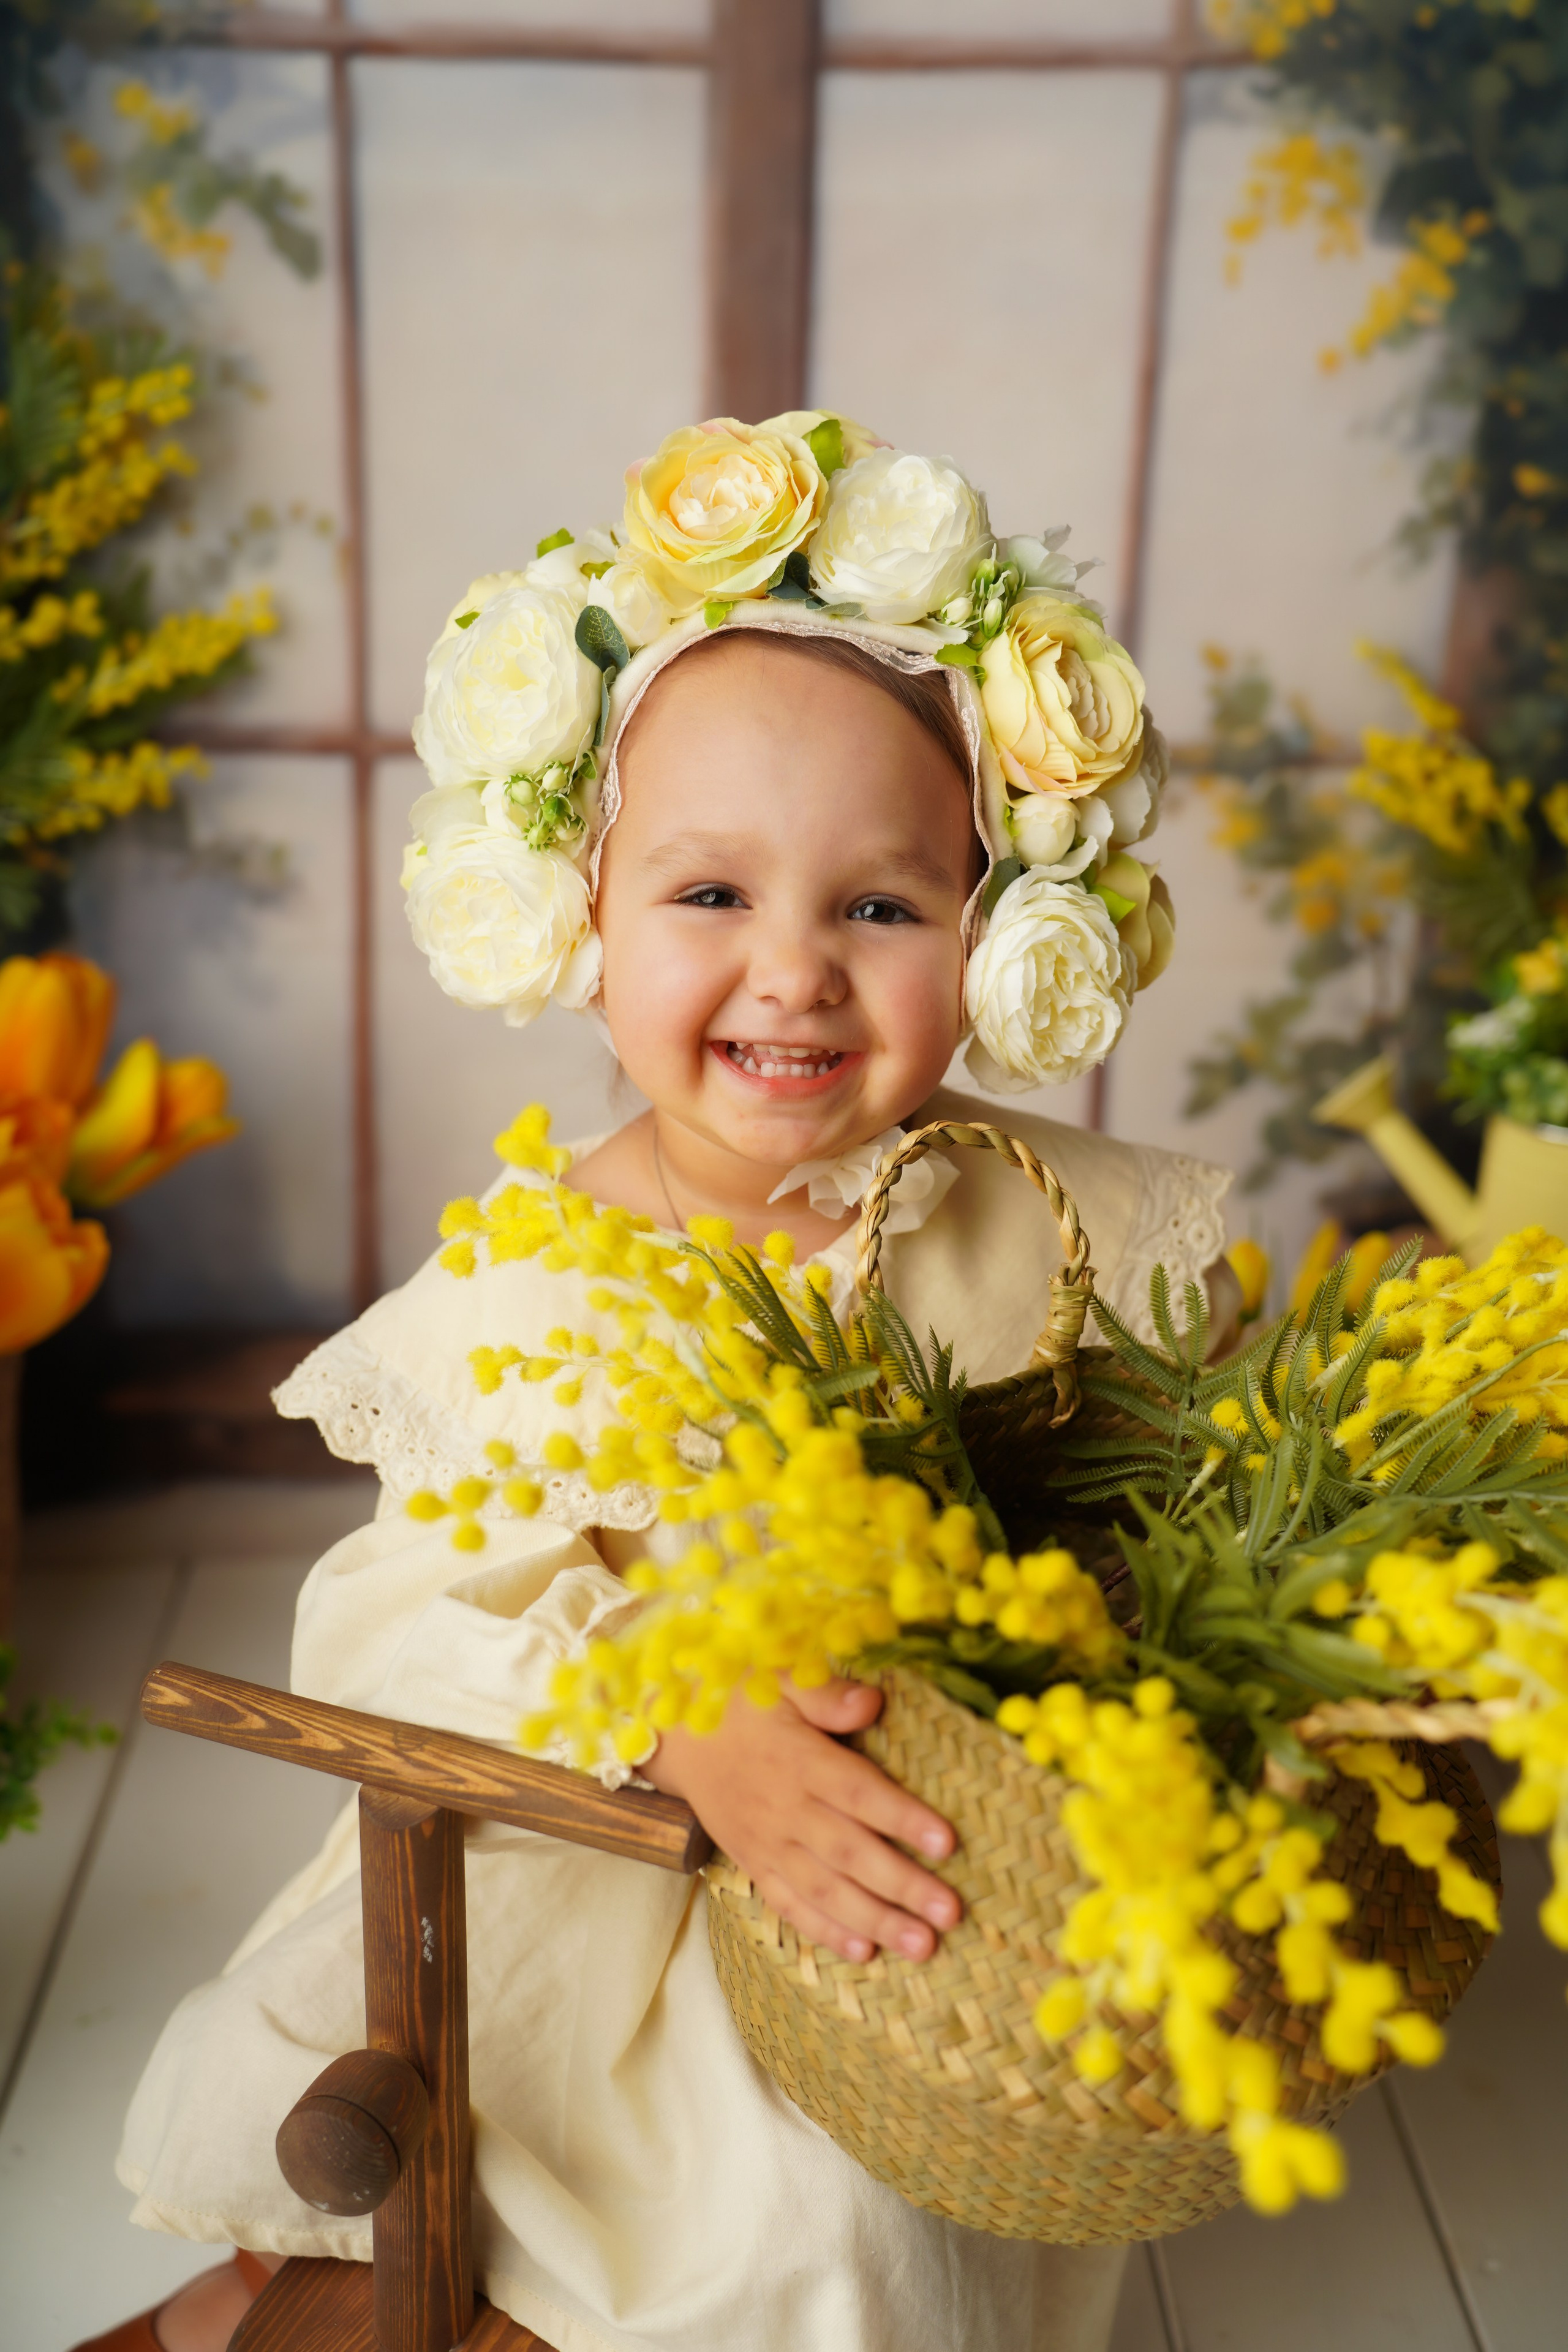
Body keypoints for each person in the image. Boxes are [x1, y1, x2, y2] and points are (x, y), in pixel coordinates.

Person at [81, 414, 1235, 2352]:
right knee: (500, 2153)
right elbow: (390, 1623)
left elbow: (1179, 1522)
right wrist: (681, 1720)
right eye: (711, 899)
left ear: (993, 924)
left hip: (921, 1906)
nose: (795, 974)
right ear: (581, 916)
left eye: (881, 907)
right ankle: (282, 2301)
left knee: (841, 2209)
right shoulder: (544, 1274)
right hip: (599, 1869)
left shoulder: (1052, 1228)